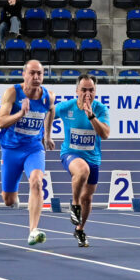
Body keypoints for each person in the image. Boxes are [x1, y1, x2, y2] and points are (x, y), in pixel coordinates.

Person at [0, 59, 56, 245]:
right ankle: (14, 197)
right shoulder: (13, 93)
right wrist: (21, 114)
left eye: (40, 73)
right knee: (8, 200)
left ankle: (33, 230)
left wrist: (47, 136)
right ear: (24, 75)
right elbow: (1, 122)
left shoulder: (48, 96)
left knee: (37, 182)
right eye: (32, 73)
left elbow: (51, 110)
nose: (36, 77)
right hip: (11, 149)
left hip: (34, 147)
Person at [56, 74, 111, 247]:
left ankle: (79, 230)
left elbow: (105, 134)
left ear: (95, 91)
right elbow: (48, 113)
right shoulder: (67, 107)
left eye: (91, 90)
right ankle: (74, 205)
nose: (87, 94)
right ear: (77, 91)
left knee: (87, 198)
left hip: (92, 157)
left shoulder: (100, 109)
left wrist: (91, 116)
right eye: (84, 90)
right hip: (70, 154)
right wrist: (45, 134)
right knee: (82, 171)